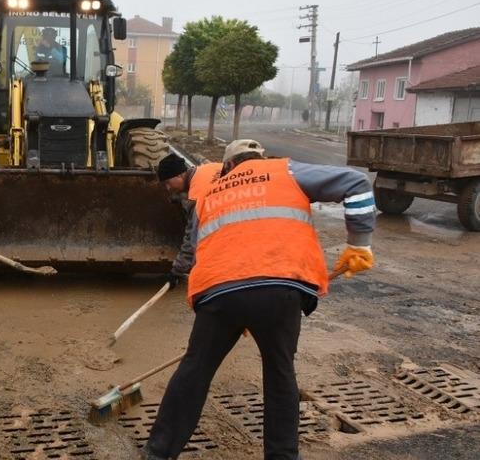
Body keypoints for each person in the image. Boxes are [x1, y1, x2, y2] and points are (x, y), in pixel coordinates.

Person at [144, 140, 376, 460]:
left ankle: (158, 453)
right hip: (279, 292)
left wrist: (235, 312)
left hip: (220, 295)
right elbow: (357, 183)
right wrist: (359, 243)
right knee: (280, 375)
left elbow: (200, 250)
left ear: (226, 168)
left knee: (194, 370)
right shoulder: (285, 170)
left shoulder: (210, 194)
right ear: (260, 160)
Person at [156, 153, 222, 290]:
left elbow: (193, 238)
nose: (168, 188)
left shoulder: (196, 195)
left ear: (179, 175)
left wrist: (177, 271)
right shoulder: (208, 169)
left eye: (168, 183)